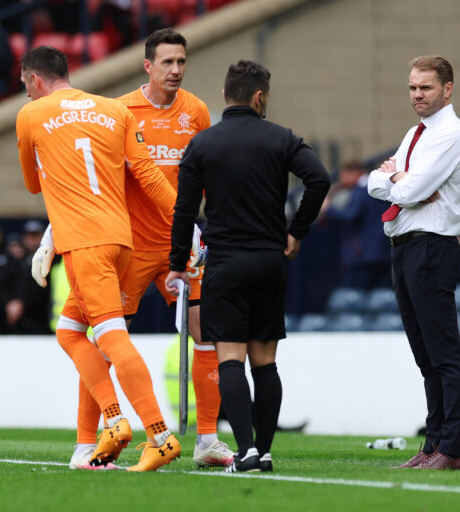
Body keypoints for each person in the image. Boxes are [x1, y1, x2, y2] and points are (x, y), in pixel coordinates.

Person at [67, 28, 231, 469]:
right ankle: (87, 442)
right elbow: (97, 179)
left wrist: (203, 228)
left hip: (183, 246)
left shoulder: (195, 111)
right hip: (131, 247)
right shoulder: (119, 111)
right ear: (147, 66)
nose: (175, 70)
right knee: (105, 341)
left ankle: (208, 441)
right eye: (167, 63)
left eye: (181, 62)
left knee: (207, 335)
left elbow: (204, 175)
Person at [16, 46, 180, 471]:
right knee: (70, 331)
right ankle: (106, 427)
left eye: (25, 85)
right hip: (122, 241)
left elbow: (34, 185)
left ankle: (156, 434)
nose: (26, 91)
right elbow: (146, 174)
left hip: (84, 243)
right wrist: (186, 225)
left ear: (34, 80)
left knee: (110, 338)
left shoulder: (30, 115)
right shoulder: (114, 109)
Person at [165, 60, 330, 472]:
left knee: (230, 359)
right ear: (260, 98)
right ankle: (267, 450)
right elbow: (320, 179)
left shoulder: (202, 144)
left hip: (226, 263)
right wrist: (297, 232)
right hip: (270, 262)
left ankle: (247, 450)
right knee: (266, 361)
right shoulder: (281, 138)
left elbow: (184, 211)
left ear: (225, 96)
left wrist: (177, 263)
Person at [367, 55, 460, 470]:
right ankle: (433, 446)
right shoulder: (417, 133)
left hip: (432, 245)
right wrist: (396, 180)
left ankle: (453, 450)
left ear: (447, 89)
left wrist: (397, 180)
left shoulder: (451, 134)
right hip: (406, 246)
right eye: (413, 87)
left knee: (444, 352)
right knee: (425, 355)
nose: (417, 95)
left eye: (425, 87)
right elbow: (378, 181)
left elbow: (407, 190)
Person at [318, 160, 392, 289]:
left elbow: (351, 215)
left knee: (356, 299)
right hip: (385, 251)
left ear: (354, 173)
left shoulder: (360, 191)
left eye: (344, 176)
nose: (342, 181)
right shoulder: (380, 187)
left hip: (364, 255)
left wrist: (327, 209)